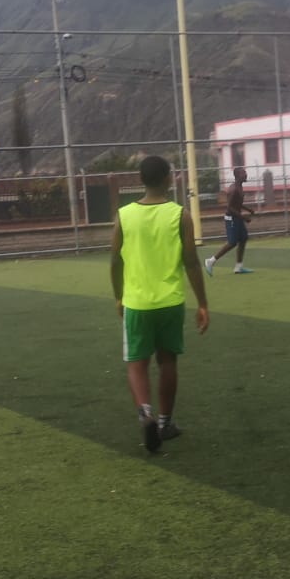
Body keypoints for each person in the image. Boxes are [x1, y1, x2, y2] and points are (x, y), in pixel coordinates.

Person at [111, 155, 210, 453]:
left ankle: (146, 414)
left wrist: (119, 296)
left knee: (136, 364)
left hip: (137, 303)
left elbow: (115, 261)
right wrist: (202, 304)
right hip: (170, 302)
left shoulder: (124, 216)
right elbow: (191, 261)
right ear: (169, 178)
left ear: (141, 180)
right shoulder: (181, 215)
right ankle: (166, 423)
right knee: (168, 362)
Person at [205, 165, 256, 276]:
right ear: (237, 176)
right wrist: (244, 217)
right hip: (231, 218)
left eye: (245, 172)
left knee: (243, 238)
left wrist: (248, 209)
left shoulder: (239, 187)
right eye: (243, 173)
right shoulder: (234, 189)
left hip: (237, 218)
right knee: (232, 243)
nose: (246, 174)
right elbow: (230, 208)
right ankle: (211, 261)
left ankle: (239, 267)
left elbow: (237, 203)